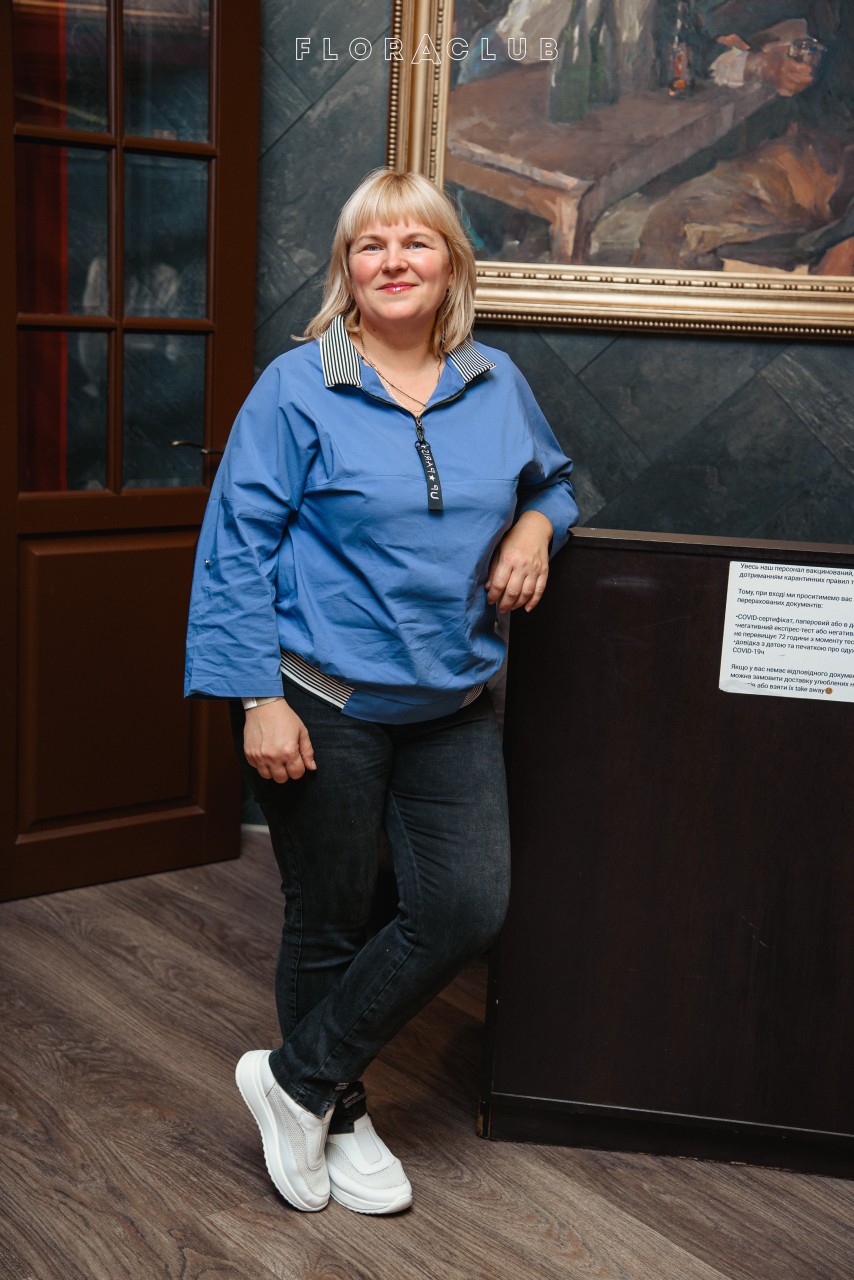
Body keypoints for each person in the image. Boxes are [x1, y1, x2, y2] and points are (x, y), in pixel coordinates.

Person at [184, 168, 578, 1216]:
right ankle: (342, 1110)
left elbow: (553, 480)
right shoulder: (296, 387)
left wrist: (536, 527)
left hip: (453, 704)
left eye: (416, 242)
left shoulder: (495, 381)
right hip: (322, 699)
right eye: (371, 244)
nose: (393, 261)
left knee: (464, 905)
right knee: (330, 915)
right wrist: (255, 699)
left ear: (451, 264)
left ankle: (298, 1081)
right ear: (346, 269)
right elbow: (234, 550)